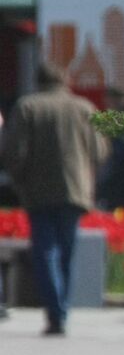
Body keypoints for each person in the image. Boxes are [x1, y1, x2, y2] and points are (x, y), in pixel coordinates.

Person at [0, 60, 103, 336]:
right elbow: (100, 150)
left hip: (39, 192)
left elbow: (14, 153)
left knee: (45, 252)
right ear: (65, 79)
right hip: (75, 190)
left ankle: (55, 312)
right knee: (67, 252)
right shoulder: (83, 108)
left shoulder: (28, 106)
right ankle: (62, 310)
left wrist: (19, 179)